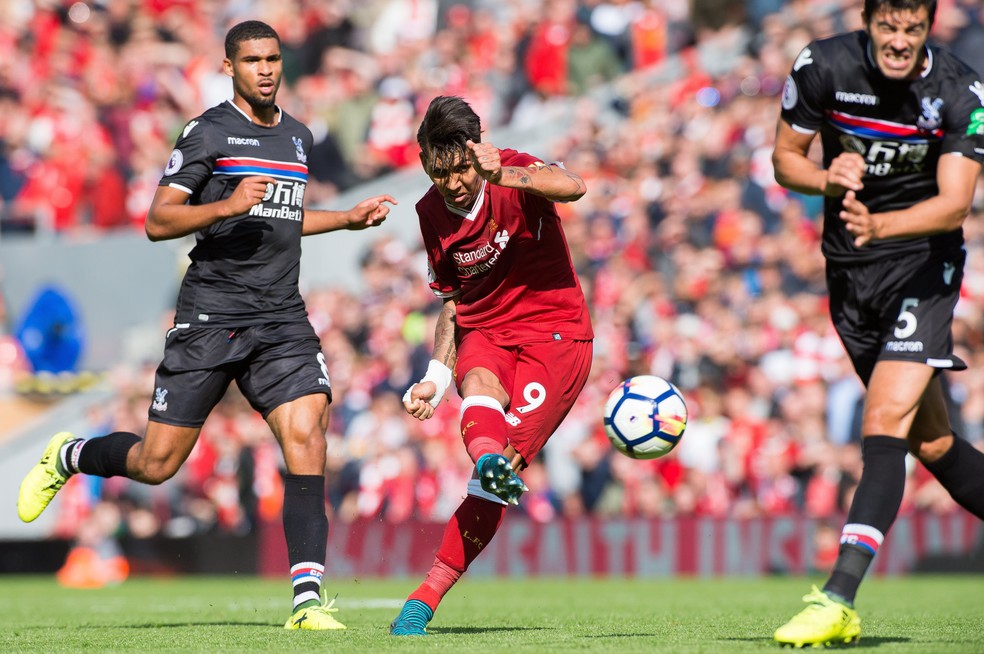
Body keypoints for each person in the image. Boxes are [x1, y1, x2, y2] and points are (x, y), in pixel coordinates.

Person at [17, 20, 395, 631]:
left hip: (280, 318)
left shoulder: (297, 137)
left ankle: (306, 602)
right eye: (252, 61)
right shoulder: (208, 132)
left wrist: (346, 219)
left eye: (273, 59)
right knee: (156, 463)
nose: (266, 70)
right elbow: (159, 220)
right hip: (211, 315)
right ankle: (71, 455)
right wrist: (225, 205)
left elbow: (284, 217)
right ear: (231, 67)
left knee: (309, 432)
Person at [771, 0, 984, 647]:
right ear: (868, 21)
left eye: (912, 30)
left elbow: (952, 206)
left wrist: (882, 224)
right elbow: (786, 159)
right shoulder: (821, 66)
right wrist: (826, 180)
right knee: (936, 447)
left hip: (922, 272)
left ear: (929, 27)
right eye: (887, 27)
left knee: (883, 425)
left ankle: (837, 597)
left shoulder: (959, 90)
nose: (898, 42)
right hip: (850, 279)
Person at [389, 95, 593, 636]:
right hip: (487, 330)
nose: (452, 184)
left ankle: (428, 593)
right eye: (439, 172)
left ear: (477, 150)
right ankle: (486, 463)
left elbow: (573, 186)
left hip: (556, 336)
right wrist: (435, 377)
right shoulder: (429, 212)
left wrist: (506, 174)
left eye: (459, 169)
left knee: (494, 484)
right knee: (477, 383)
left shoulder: (513, 168)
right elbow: (452, 303)